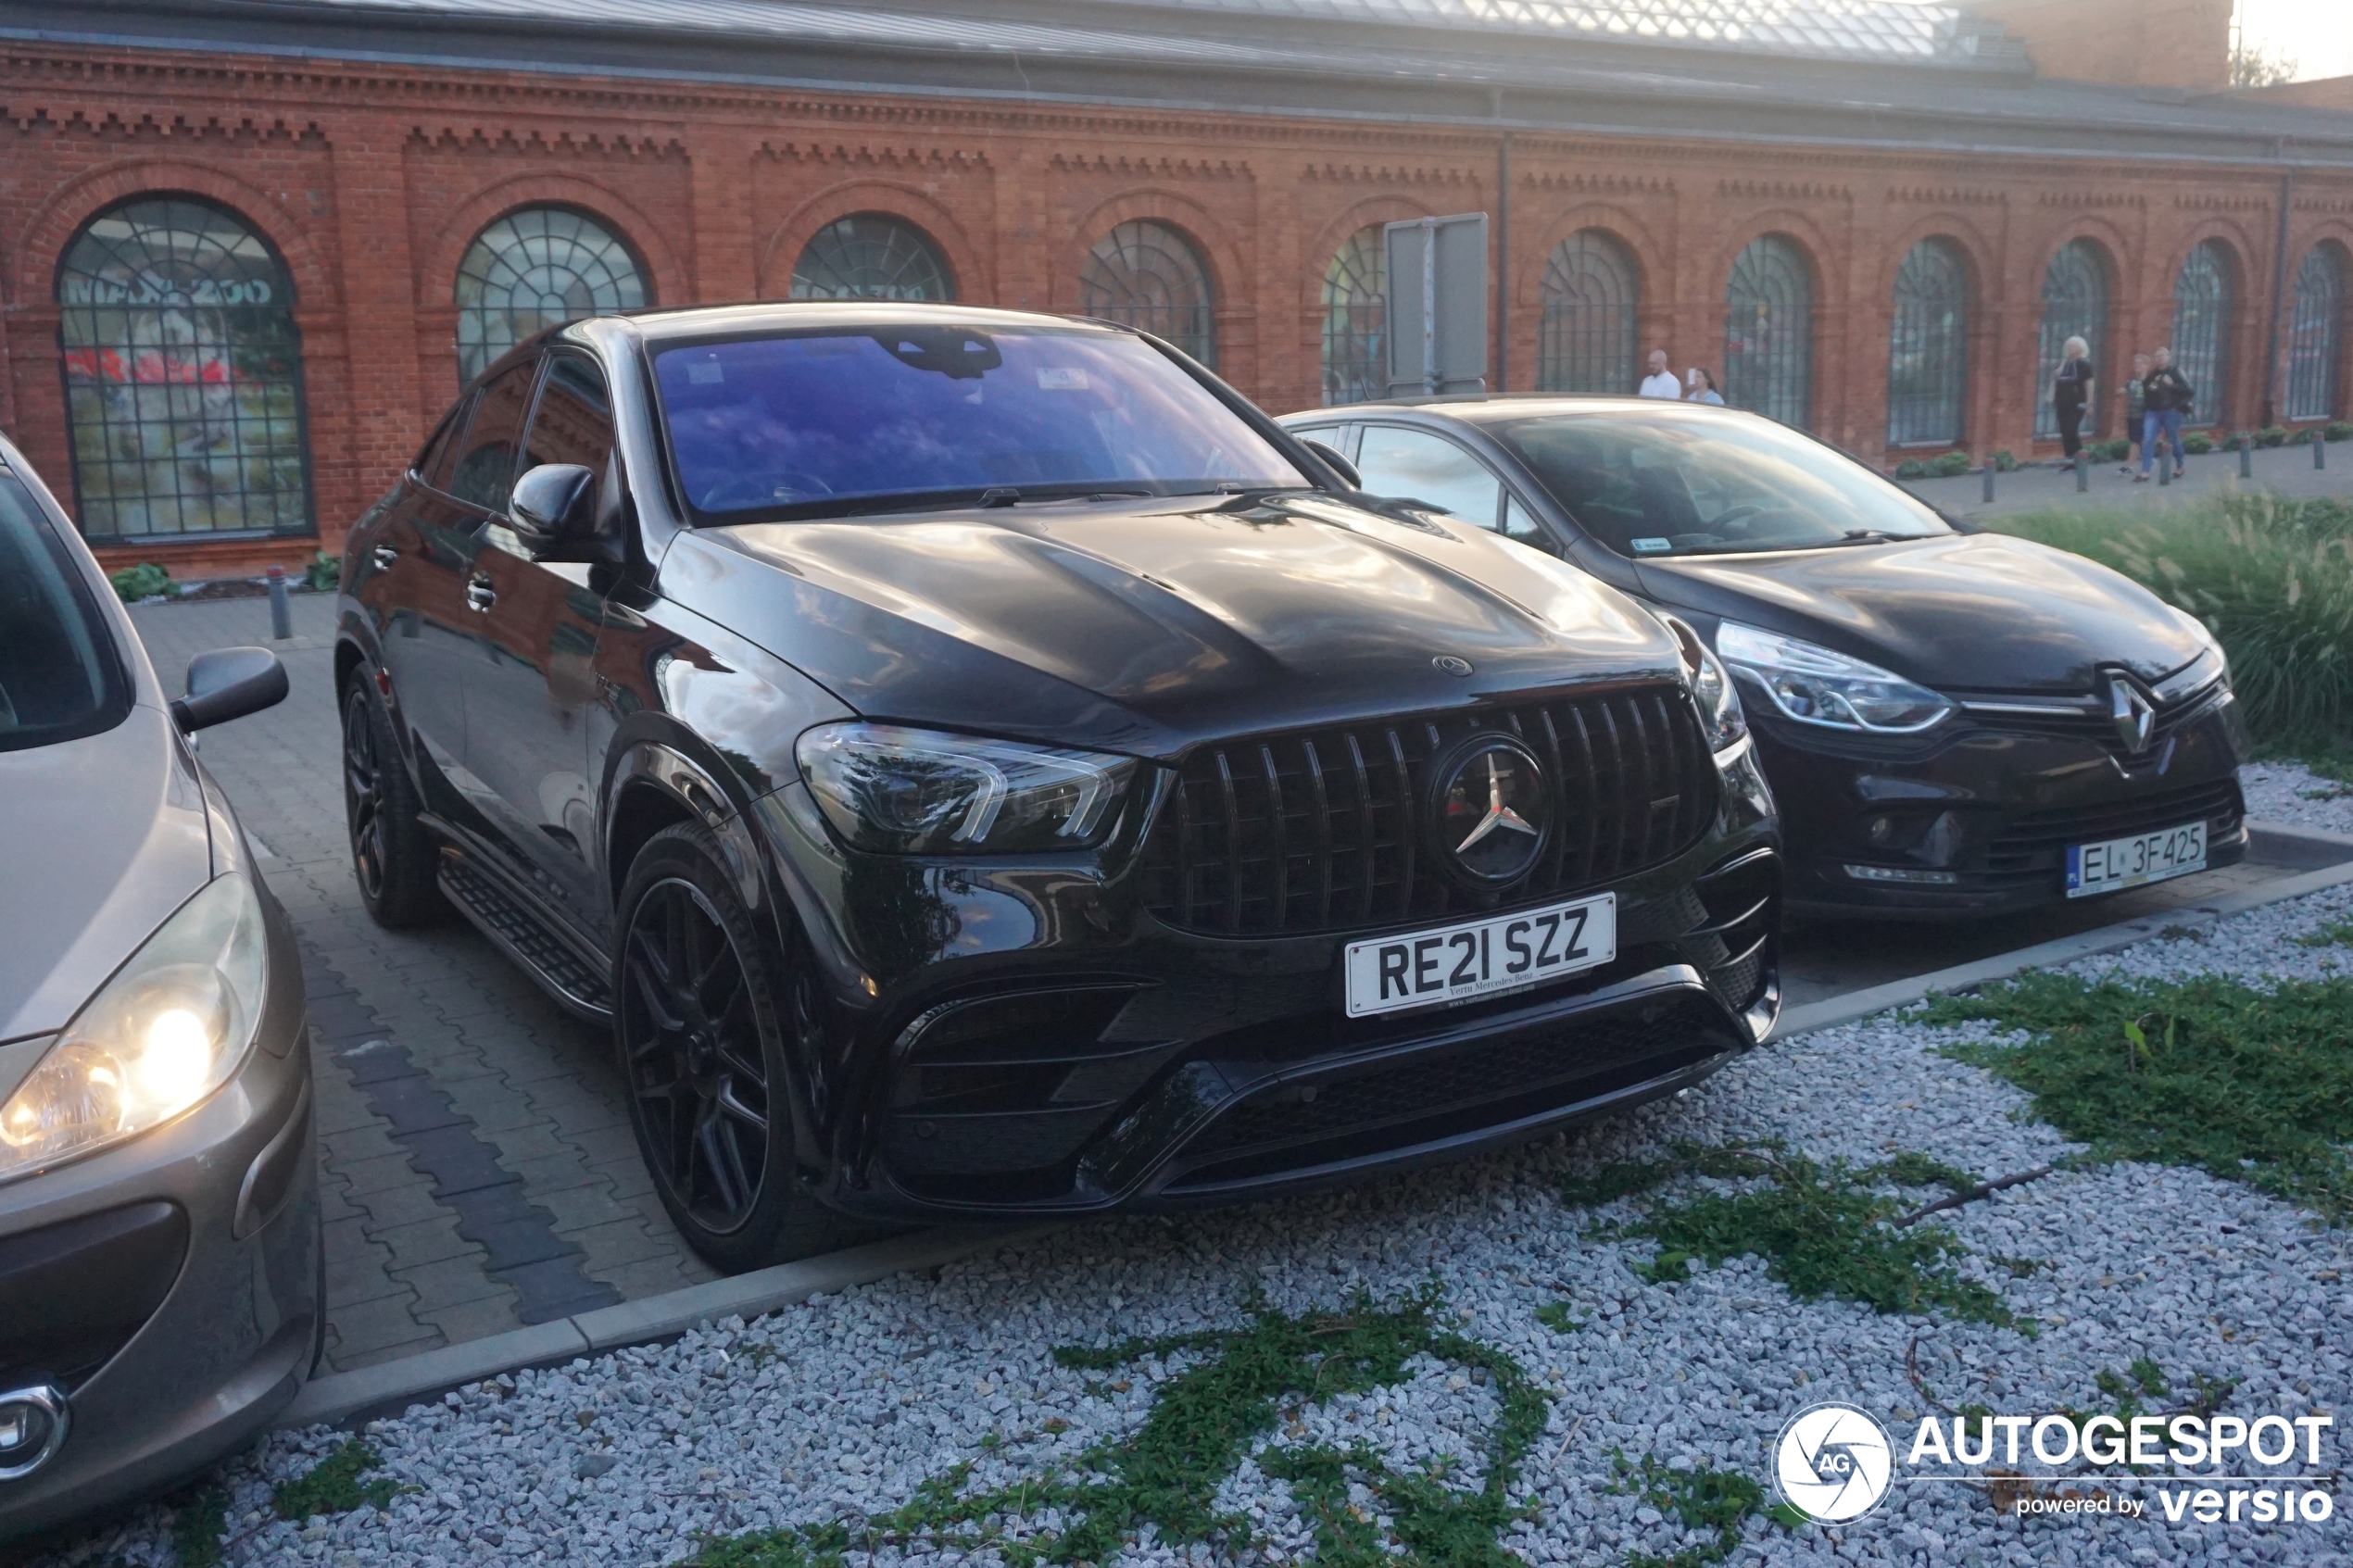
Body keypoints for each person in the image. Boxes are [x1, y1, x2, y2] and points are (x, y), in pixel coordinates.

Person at [2138, 345, 2193, 483]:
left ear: (2168, 357)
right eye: (2157, 357)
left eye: (2162, 356)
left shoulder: (2175, 372)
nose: (2159, 359)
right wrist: (2143, 380)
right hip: (2153, 412)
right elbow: (2147, 392)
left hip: (2171, 411)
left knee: (2173, 439)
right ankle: (2145, 471)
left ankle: (2180, 465)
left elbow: (2189, 391)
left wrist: (2172, 385)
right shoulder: (2153, 374)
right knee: (2148, 439)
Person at [2051, 336, 2096, 463]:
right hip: (2062, 402)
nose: (2070, 348)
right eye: (2069, 345)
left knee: (2071, 429)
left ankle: (2078, 458)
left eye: (2073, 345)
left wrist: (2089, 403)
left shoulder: (2084, 363)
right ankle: (2069, 459)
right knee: (2064, 430)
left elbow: (2089, 383)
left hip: (2077, 403)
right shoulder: (2065, 362)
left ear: (2080, 348)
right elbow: (2058, 378)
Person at [2120, 352, 2151, 476]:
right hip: (2132, 414)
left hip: (2144, 415)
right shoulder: (2132, 382)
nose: (2136, 366)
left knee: (2135, 440)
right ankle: (2147, 457)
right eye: (2135, 363)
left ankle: (2129, 465)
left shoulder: (2150, 381)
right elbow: (2123, 390)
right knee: (2136, 439)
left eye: (2139, 363)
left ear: (2146, 366)